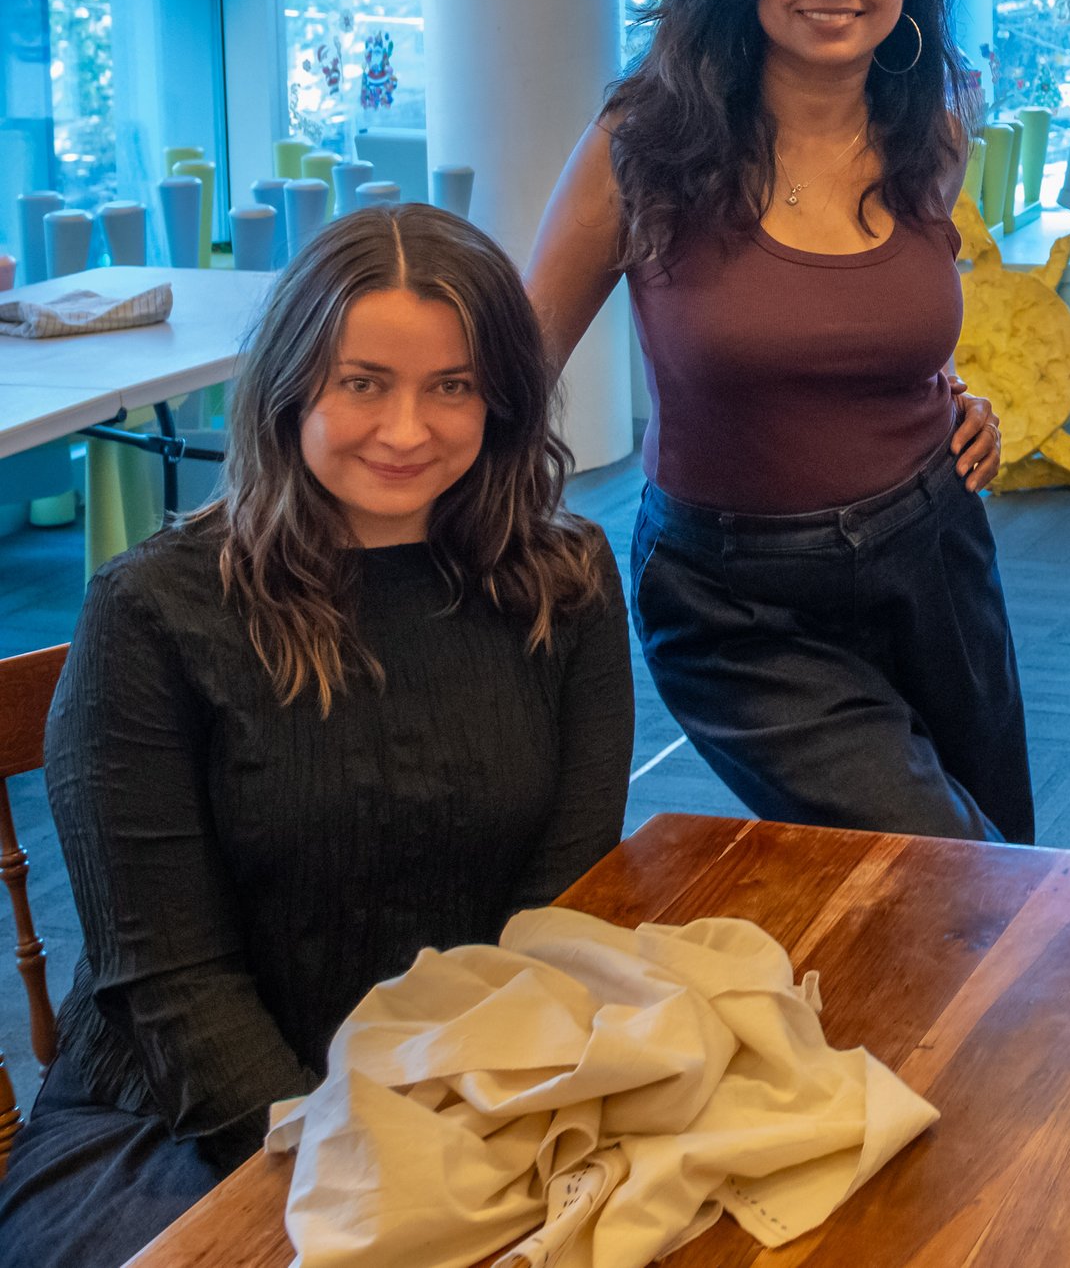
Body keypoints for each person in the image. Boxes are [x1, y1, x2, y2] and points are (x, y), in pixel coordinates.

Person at [0, 205, 632, 1268]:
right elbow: (169, 982)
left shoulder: (562, 581)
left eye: (454, 385)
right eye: (362, 382)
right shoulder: (154, 612)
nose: (406, 428)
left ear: (504, 399)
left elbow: (559, 908)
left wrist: (474, 1126)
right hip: (183, 1125)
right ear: (291, 385)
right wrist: (354, 1168)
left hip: (468, 1088)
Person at [526, 0, 1026, 843]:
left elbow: (879, 319)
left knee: (1008, 876)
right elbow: (515, 362)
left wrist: (953, 397)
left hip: (931, 552)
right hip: (732, 597)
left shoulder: (928, 128)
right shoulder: (643, 144)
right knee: (940, 857)